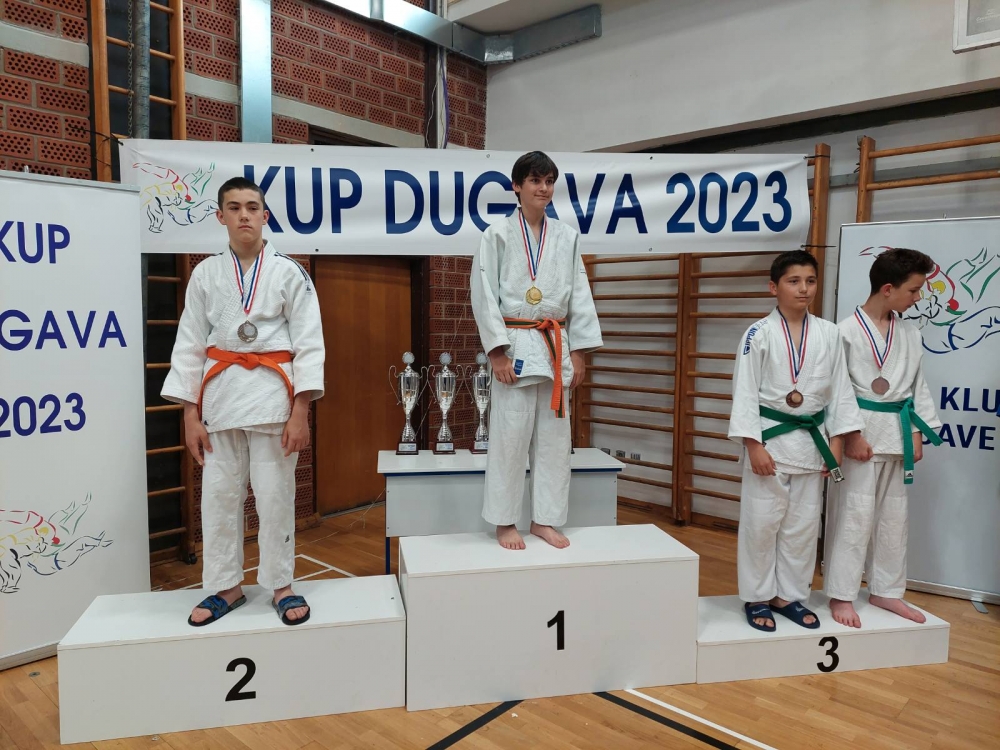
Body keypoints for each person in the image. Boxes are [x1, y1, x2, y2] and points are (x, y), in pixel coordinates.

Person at [162, 176, 325, 626]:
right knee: (218, 498)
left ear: (265, 215)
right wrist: (190, 415)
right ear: (221, 217)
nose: (244, 215)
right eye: (234, 208)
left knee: (275, 498)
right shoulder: (205, 274)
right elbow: (189, 345)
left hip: (274, 399)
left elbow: (310, 344)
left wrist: (301, 411)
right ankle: (225, 587)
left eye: (252, 207)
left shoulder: (290, 272)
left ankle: (281, 585)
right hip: (220, 399)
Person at [470, 151, 603, 550]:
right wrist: (496, 352)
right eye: (535, 181)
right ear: (517, 186)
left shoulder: (566, 236)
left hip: (555, 346)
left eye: (548, 182)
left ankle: (545, 519)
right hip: (514, 344)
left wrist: (579, 351)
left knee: (554, 443)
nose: (543, 188)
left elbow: (580, 293)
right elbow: (483, 293)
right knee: (510, 439)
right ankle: (505, 521)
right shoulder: (496, 235)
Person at [729, 250, 863, 632]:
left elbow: (841, 391)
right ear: (773, 287)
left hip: (812, 443)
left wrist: (837, 442)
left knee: (802, 528)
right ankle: (757, 597)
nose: (804, 289)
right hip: (769, 444)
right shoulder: (758, 333)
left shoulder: (830, 333)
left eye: (810, 281)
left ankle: (787, 596)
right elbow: (744, 391)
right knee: (760, 524)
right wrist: (752, 444)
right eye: (793, 281)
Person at [825, 248, 942, 627]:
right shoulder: (843, 331)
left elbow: (917, 386)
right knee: (853, 515)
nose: (918, 297)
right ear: (888, 289)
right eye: (913, 290)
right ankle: (841, 593)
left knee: (894, 517)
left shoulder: (910, 333)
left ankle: (886, 590)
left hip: (897, 432)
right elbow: (836, 389)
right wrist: (850, 434)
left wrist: (917, 432)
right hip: (861, 434)